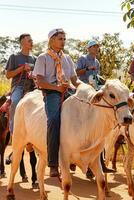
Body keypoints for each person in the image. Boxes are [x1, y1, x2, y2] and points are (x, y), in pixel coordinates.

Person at [33, 28, 82, 177]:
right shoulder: (43, 58)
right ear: (51, 40)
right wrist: (56, 88)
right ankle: (53, 163)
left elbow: (75, 80)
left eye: (64, 39)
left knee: (86, 115)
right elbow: (40, 81)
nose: (63, 41)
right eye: (60, 38)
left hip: (68, 90)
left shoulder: (67, 58)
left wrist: (86, 88)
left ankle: (85, 157)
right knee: (54, 120)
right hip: (52, 92)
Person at [76, 40, 114, 174]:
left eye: (98, 46)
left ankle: (99, 163)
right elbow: (76, 74)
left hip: (95, 91)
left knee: (99, 126)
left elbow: (96, 78)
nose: (97, 48)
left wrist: (102, 80)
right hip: (83, 92)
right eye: (95, 46)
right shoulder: (82, 59)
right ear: (89, 48)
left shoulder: (97, 62)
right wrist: (87, 69)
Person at [5, 34, 37, 185]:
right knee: (16, 102)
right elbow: (8, 75)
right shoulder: (14, 57)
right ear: (22, 43)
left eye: (31, 40)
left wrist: (32, 74)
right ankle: (14, 133)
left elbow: (37, 76)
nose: (32, 41)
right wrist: (21, 69)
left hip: (32, 87)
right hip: (18, 87)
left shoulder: (35, 59)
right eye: (29, 40)